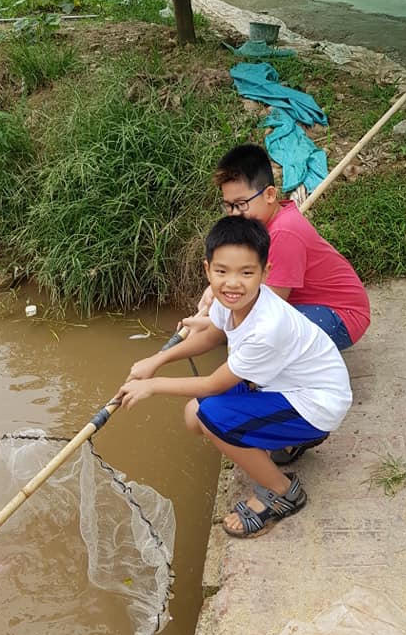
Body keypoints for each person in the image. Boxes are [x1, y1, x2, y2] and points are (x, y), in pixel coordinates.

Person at [115, 216, 352, 539]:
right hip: (284, 385)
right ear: (207, 269)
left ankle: (283, 492)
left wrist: (152, 385)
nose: (233, 283)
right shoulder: (230, 301)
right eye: (222, 271)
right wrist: (157, 360)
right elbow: (213, 334)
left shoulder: (267, 327)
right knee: (194, 415)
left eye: (246, 273)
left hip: (318, 402)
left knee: (213, 417)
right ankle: (290, 439)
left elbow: (213, 384)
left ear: (265, 273)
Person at [182, 143, 369, 465]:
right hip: (314, 305)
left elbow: (260, 309)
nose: (235, 214)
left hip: (341, 315)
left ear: (269, 194)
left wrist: (214, 321)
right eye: (229, 206)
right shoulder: (263, 226)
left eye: (242, 205)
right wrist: (213, 303)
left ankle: (288, 423)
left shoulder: (283, 234)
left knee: (261, 340)